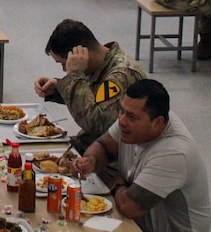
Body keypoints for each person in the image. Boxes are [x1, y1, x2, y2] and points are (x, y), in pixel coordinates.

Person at [73, 79, 211, 232]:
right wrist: (91, 161)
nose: (121, 121)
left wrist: (117, 185)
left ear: (158, 123)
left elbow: (129, 207)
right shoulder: (135, 120)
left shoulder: (174, 153)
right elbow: (103, 146)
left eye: (131, 117)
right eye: (121, 111)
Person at [33, 19, 145, 157]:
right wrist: (58, 87)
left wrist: (74, 75)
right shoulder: (101, 64)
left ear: (79, 55)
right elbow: (93, 96)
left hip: (110, 162)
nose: (64, 69)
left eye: (63, 63)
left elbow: (95, 124)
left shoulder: (120, 76)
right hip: (92, 147)